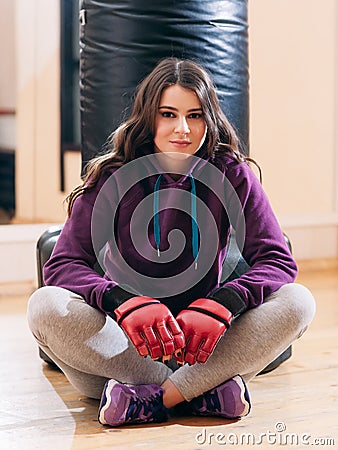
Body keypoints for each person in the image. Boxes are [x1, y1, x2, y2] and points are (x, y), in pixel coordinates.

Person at [27, 58, 316, 427]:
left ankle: (154, 399)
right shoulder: (112, 177)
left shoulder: (232, 173)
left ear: (208, 120)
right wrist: (123, 302)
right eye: (169, 114)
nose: (182, 129)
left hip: (207, 350)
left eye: (195, 115)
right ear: (150, 118)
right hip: (124, 354)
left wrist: (222, 304)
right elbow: (63, 264)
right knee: (43, 305)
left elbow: (277, 259)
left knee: (299, 301)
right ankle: (200, 394)